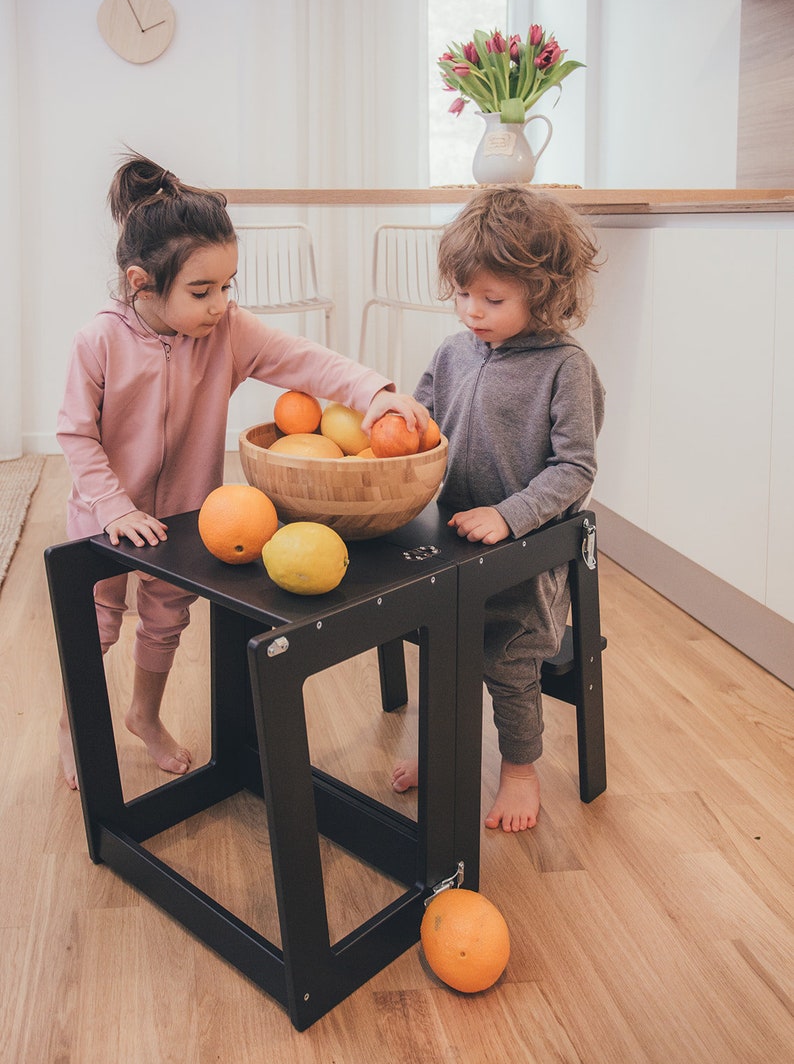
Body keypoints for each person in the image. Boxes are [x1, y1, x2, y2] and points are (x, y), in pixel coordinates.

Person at [57, 151, 428, 790]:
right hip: (104, 515)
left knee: (167, 617)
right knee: (96, 622)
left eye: (228, 286)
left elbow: (306, 360)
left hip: (184, 516)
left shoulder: (227, 331)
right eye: (202, 291)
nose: (219, 303)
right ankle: (75, 728)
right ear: (142, 282)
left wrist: (374, 393)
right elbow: (75, 435)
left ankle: (144, 716)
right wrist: (113, 506)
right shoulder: (99, 340)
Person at [391, 185, 605, 833]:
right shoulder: (453, 352)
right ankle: (439, 743)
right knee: (441, 644)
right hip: (453, 543)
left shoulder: (565, 367)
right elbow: (422, 421)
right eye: (462, 295)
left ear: (542, 292)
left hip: (525, 554)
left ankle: (519, 767)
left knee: (509, 658)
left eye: (492, 299)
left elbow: (575, 468)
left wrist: (510, 515)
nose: (472, 312)